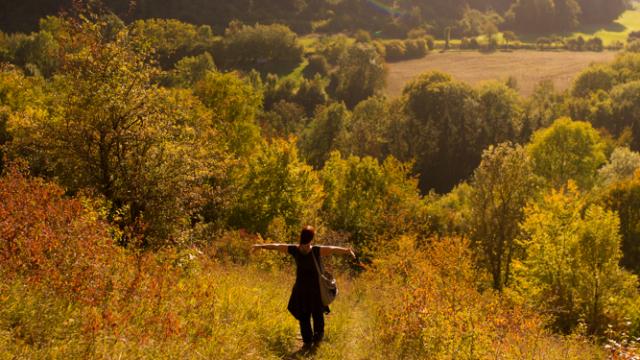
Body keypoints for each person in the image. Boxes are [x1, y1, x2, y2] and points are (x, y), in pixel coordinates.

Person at [252, 225, 355, 349]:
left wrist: (261, 246)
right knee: (317, 315)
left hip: (300, 289)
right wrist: (347, 250)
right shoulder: (316, 250)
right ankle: (317, 341)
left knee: (304, 316)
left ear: (301, 237)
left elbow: (278, 246)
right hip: (316, 290)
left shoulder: (295, 250)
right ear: (311, 238)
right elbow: (332, 249)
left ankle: (307, 341)